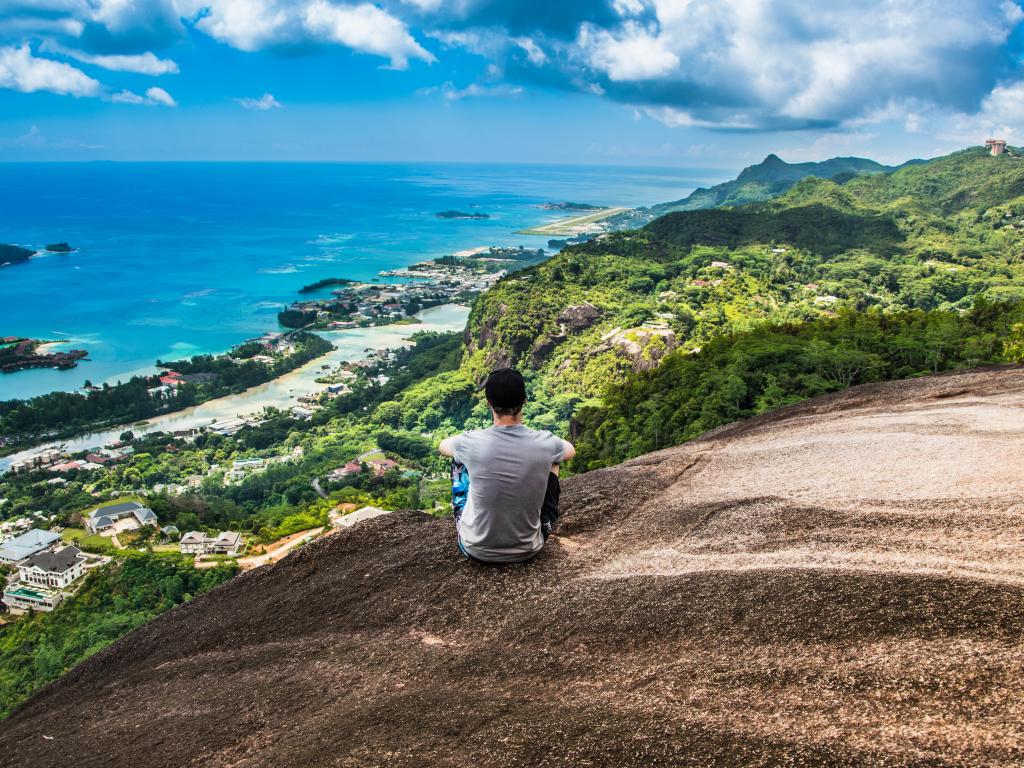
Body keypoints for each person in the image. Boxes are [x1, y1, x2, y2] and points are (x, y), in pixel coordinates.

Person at [438, 367, 575, 564]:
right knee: (554, 460)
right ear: (524, 402)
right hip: (528, 549)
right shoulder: (545, 442)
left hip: (474, 548)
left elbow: (443, 446)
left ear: (489, 403)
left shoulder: (470, 442)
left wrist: (471, 436)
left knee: (458, 459)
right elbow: (570, 450)